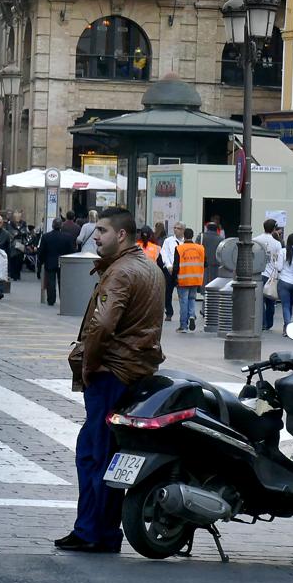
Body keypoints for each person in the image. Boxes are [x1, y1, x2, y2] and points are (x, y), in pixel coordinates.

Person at [56, 207, 164, 554]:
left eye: (101, 230)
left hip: (111, 371)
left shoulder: (120, 272)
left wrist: (89, 362)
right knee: (112, 455)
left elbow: (102, 325)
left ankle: (90, 530)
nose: (95, 236)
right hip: (136, 370)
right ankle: (105, 531)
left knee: (93, 453)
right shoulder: (149, 266)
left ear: (121, 235)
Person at [171, 228, 204, 333]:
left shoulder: (179, 249)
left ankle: (183, 326)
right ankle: (192, 316)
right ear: (192, 236)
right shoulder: (200, 248)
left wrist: (173, 279)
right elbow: (205, 263)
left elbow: (176, 266)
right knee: (192, 299)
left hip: (183, 280)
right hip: (195, 279)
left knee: (184, 302)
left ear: (184, 236)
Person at [254, 219, 282, 331]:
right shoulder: (277, 243)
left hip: (258, 272)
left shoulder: (256, 240)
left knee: (259, 300)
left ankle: (261, 322)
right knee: (271, 299)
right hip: (271, 274)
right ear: (274, 229)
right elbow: (278, 259)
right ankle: (269, 323)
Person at [38, 218, 75, 307]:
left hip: (50, 261)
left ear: (52, 225)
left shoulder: (46, 236)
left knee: (51, 281)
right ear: (61, 226)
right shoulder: (68, 237)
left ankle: (51, 299)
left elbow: (42, 251)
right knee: (62, 282)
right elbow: (71, 251)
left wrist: (41, 260)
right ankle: (64, 299)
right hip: (63, 262)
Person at [276, 233, 293, 334]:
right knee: (291, 305)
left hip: (284, 281)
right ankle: (287, 326)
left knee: (285, 305)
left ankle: (287, 326)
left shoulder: (283, 251)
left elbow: (279, 267)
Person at [159, 221, 184, 323]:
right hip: (169, 270)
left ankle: (184, 313)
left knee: (182, 294)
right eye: (174, 228)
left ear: (183, 230)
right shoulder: (168, 241)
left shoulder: (185, 242)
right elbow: (164, 253)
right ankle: (169, 312)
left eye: (178, 228)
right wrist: (169, 266)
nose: (175, 230)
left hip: (181, 271)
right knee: (167, 293)